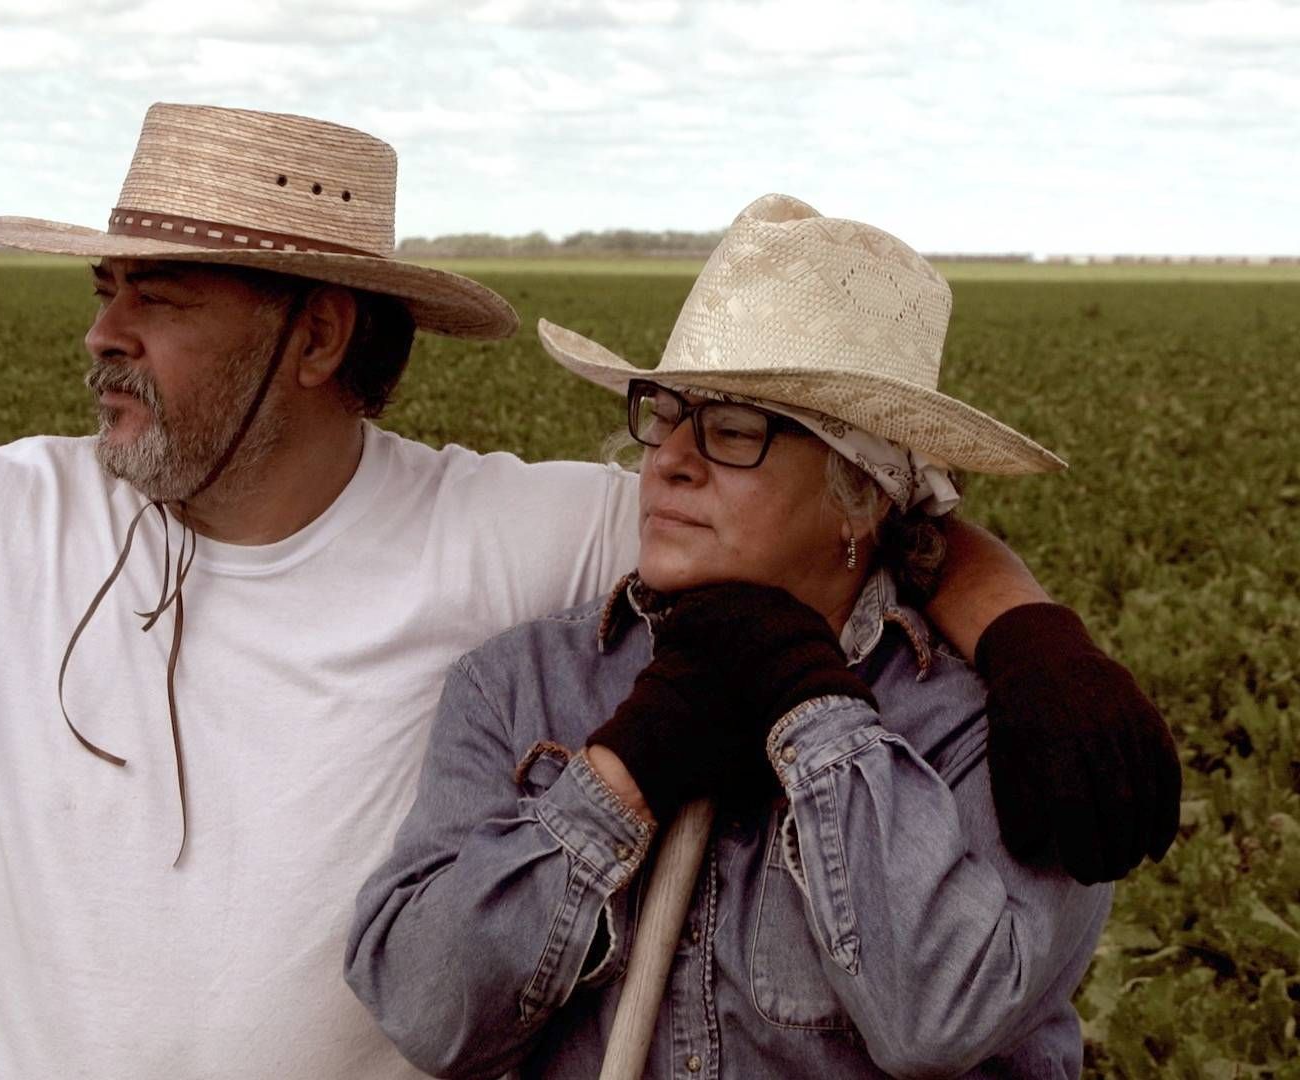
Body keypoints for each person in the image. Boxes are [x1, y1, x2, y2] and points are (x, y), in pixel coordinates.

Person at [0, 109, 1171, 1079]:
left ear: (316, 332)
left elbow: (807, 525)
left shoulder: (514, 538)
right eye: (105, 284)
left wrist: (1022, 625)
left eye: (161, 295)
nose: (100, 332)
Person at [346, 194, 1154, 1078]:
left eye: (732, 430)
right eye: (664, 415)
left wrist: (810, 706)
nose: (670, 459)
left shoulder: (1000, 728)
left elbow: (937, 1016)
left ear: (862, 489)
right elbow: (425, 1011)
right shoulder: (522, 681)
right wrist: (622, 775)